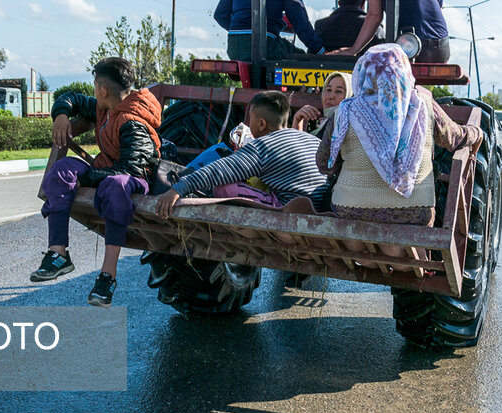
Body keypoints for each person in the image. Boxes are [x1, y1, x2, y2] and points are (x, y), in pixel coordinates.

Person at [31, 57, 162, 307]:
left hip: (134, 180)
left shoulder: (134, 122)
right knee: (62, 169)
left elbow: (132, 169)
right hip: (107, 172)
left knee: (115, 186)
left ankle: (107, 275)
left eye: (94, 86)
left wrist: (88, 178)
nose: (92, 91)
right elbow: (72, 98)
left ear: (103, 90)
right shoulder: (105, 107)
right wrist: (60, 115)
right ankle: (59, 253)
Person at [316, 45, 481, 225]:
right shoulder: (423, 104)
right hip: (414, 211)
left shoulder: (345, 110)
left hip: (350, 208)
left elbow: (324, 164)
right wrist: (475, 133)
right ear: (402, 71)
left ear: (364, 71)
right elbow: (453, 138)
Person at [155, 91, 329, 217]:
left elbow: (221, 170)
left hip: (289, 207)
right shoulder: (312, 140)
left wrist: (177, 189)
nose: (248, 123)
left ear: (261, 123)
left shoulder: (264, 145)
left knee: (224, 186)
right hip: (321, 204)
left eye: (251, 118)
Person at [314, 0, 384, 50]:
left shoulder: (320, 26)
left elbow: (313, 54)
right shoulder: (375, 27)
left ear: (339, 3)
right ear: (363, 3)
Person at [290, 71, 353, 136]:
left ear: (350, 96)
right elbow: (299, 144)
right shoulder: (324, 125)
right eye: (328, 90)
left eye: (338, 91)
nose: (330, 96)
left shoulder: (349, 129)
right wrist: (297, 121)